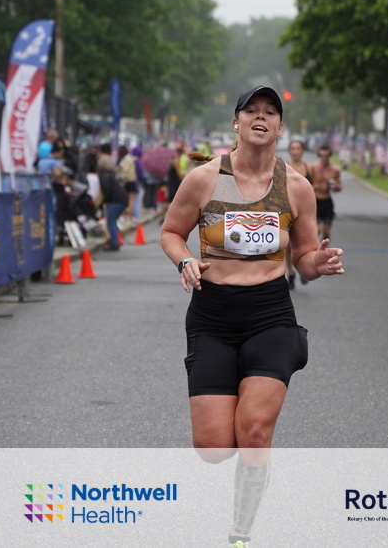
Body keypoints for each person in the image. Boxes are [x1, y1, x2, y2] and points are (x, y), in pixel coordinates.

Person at [160, 85, 345, 548]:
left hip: (270, 315)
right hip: (212, 317)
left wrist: (318, 264)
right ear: (237, 123)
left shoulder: (296, 186)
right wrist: (185, 260)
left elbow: (304, 257)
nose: (261, 117)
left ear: (280, 127)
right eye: (251, 110)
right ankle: (249, 467)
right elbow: (171, 232)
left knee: (256, 431)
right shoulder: (204, 179)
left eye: (270, 112)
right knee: (213, 447)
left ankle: (241, 532)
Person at [284, 139, 312, 289]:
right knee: (288, 245)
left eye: (298, 148)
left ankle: (302, 268)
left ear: (302, 151)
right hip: (288, 210)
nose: (295, 151)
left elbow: (314, 188)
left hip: (305, 212)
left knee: (304, 243)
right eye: (293, 148)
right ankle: (290, 272)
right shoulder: (284, 167)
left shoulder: (309, 168)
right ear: (289, 151)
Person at [96, 146, 128, 251]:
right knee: (112, 221)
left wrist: (105, 201)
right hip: (121, 199)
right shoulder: (109, 175)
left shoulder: (104, 176)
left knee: (111, 221)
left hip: (116, 201)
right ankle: (116, 239)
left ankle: (114, 243)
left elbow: (106, 190)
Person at [310, 145, 342, 242]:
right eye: (322, 155)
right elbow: (307, 183)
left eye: (326, 155)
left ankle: (324, 249)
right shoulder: (313, 168)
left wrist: (336, 187)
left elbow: (339, 185)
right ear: (319, 155)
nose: (324, 158)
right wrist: (314, 187)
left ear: (330, 155)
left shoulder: (335, 170)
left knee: (326, 232)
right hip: (316, 201)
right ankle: (315, 249)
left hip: (327, 201)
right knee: (317, 230)